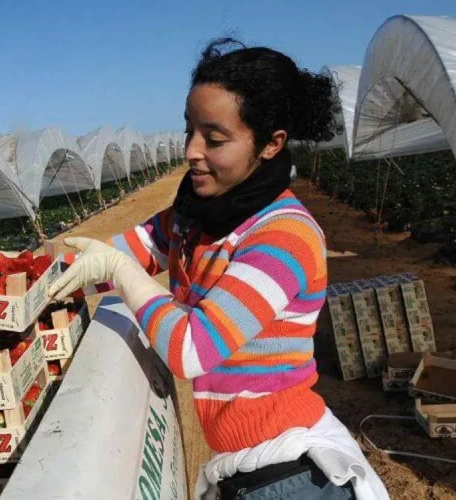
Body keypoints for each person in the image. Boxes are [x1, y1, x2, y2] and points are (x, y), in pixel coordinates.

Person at [45, 39, 389, 499]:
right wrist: (10, 270)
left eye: (214, 139)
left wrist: (123, 273)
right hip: (243, 466)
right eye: (189, 130)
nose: (191, 150)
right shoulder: (196, 217)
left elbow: (191, 349)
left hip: (287, 473)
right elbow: (116, 256)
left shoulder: (284, 235)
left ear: (270, 144)